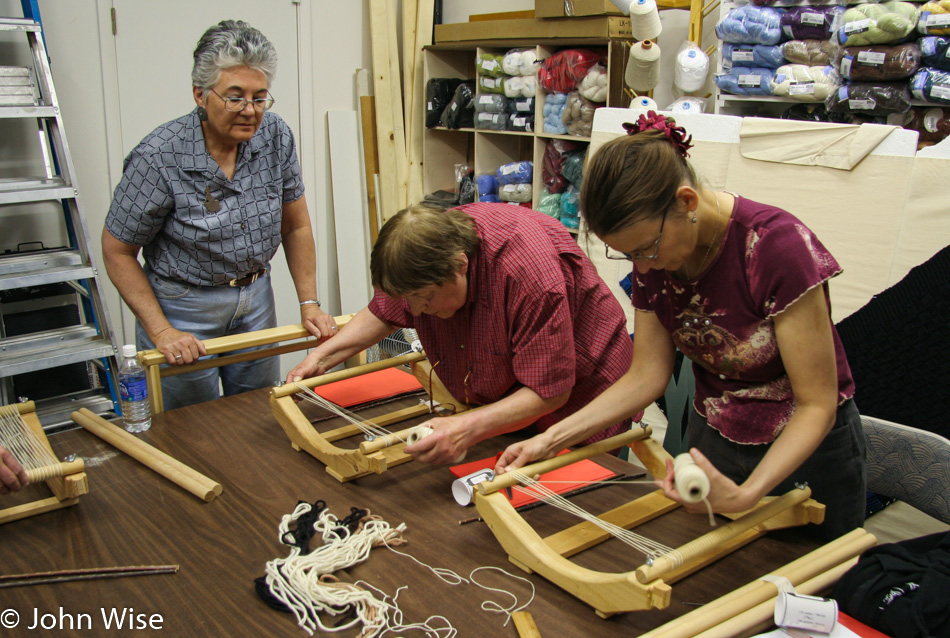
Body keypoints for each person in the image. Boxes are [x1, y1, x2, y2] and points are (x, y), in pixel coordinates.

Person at [495, 112, 866, 541]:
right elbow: (647, 374)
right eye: (626, 255)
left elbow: (816, 404)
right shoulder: (656, 258)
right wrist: (550, 439)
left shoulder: (775, 247)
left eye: (645, 249)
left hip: (804, 453)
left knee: (811, 592)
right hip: (718, 441)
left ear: (686, 202)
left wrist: (749, 495)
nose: (641, 267)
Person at [286, 202, 638, 465]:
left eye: (425, 300)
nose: (418, 312)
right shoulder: (430, 247)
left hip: (583, 401)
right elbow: (386, 311)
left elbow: (550, 392)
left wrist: (467, 428)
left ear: (460, 266)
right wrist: (324, 356)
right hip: (515, 401)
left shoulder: (529, 278)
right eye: (412, 300)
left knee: (579, 503)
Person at [103, 20, 335, 410]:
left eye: (260, 98)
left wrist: (309, 303)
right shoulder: (159, 157)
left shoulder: (275, 136)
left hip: (256, 298)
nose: (250, 111)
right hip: (183, 307)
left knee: (260, 411)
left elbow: (295, 225)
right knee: (192, 426)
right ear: (200, 95)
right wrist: (161, 331)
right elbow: (116, 250)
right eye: (235, 97)